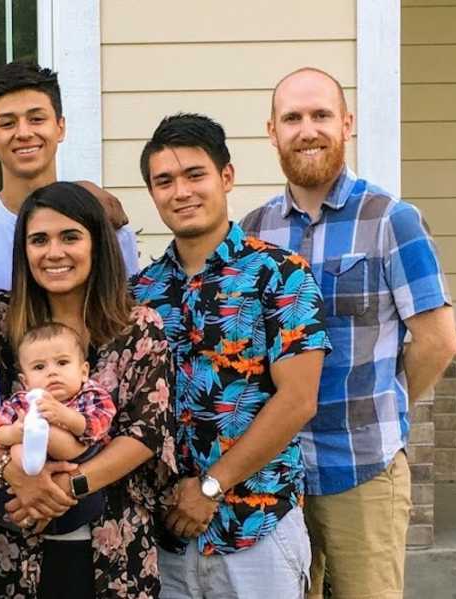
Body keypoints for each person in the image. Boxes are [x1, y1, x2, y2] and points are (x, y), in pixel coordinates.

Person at [240, 67, 456, 599]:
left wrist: (388, 403)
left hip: (362, 469)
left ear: (347, 124)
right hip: (277, 476)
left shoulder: (391, 219)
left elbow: (438, 340)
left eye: (321, 115)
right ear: (272, 131)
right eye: (292, 118)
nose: (307, 129)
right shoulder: (253, 230)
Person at [132, 113, 330, 598]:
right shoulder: (141, 293)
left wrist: (210, 487)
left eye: (194, 175)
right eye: (164, 181)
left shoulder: (280, 275)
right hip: (168, 536)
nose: (181, 192)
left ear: (226, 176)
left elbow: (298, 399)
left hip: (257, 528)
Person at [0, 181, 176, 598]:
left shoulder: (138, 326)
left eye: (70, 237)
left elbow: (146, 434)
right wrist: (19, 479)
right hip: (14, 540)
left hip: (114, 546)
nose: (54, 252)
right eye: (39, 239)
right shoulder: (2, 319)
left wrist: (66, 487)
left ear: (97, 243)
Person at [0, 61, 139, 294]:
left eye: (36, 119)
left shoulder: (104, 223)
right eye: (7, 123)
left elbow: (124, 313)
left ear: (60, 127)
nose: (24, 133)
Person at [0, 322, 117, 535]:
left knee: (49, 434)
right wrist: (15, 432)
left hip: (78, 457)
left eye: (62, 363)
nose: (52, 372)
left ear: (84, 371)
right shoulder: (21, 401)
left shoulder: (90, 395)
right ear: (25, 381)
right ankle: (31, 468)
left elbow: (99, 426)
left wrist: (66, 416)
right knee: (16, 446)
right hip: (28, 471)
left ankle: (37, 436)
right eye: (39, 367)